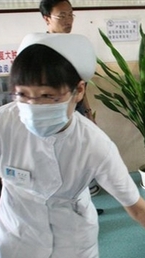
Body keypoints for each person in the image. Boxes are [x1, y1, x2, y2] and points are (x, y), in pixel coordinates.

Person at [0, 33, 145, 258]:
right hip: (19, 232)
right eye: (23, 95)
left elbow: (135, 206)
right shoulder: (1, 124)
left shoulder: (93, 143)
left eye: (48, 96)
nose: (33, 106)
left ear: (78, 91)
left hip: (72, 237)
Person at [40, 0, 103, 204]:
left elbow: (81, 84)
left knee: (79, 160)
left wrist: (88, 113)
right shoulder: (39, 49)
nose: (68, 21)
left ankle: (80, 203)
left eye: (71, 15)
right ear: (46, 18)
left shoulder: (75, 46)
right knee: (57, 164)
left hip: (75, 111)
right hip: (52, 116)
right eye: (62, 16)